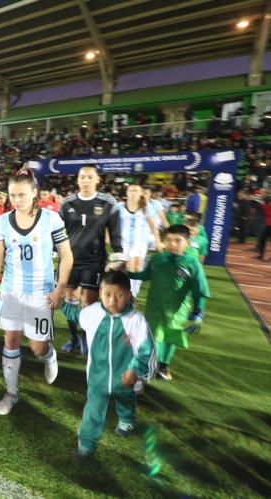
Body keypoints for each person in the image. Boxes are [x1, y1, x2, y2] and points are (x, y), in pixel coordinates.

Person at [0, 170, 73, 415]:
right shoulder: (3, 221)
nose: (16, 199)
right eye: (13, 195)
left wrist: (60, 288)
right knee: (11, 340)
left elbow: (67, 255)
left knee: (37, 347)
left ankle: (49, 355)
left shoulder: (51, 219)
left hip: (40, 294)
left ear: (34, 193)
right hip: (12, 291)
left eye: (22, 194)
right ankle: (11, 393)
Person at [62, 271, 156, 460]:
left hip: (125, 378)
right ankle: (85, 446)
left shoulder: (136, 320)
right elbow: (75, 314)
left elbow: (147, 349)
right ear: (100, 294)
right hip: (97, 378)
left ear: (129, 295)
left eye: (119, 295)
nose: (113, 301)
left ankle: (126, 420)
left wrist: (134, 370)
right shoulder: (92, 313)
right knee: (93, 411)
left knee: (125, 400)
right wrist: (61, 304)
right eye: (107, 295)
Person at [127, 225, 210, 381]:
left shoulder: (192, 264)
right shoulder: (158, 258)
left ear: (187, 242)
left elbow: (200, 292)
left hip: (177, 312)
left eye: (177, 240)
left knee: (170, 338)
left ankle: (164, 366)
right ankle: (147, 368)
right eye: (168, 240)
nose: (172, 244)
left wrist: (199, 314)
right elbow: (145, 275)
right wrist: (126, 272)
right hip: (154, 309)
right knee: (154, 338)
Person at [59, 164, 123, 355]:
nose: (85, 180)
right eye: (82, 177)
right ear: (77, 180)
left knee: (89, 303)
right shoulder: (67, 203)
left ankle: (86, 337)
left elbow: (115, 231)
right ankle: (73, 337)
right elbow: (58, 230)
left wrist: (118, 253)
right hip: (69, 260)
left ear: (97, 180)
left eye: (89, 177)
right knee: (69, 300)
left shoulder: (108, 203)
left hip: (94, 260)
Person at [118, 184, 162, 297]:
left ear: (140, 193)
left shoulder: (146, 207)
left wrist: (157, 240)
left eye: (136, 191)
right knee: (129, 268)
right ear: (126, 193)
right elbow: (110, 222)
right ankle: (126, 289)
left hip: (140, 242)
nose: (133, 193)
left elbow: (153, 225)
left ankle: (132, 295)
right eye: (130, 190)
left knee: (136, 266)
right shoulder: (119, 207)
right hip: (124, 242)